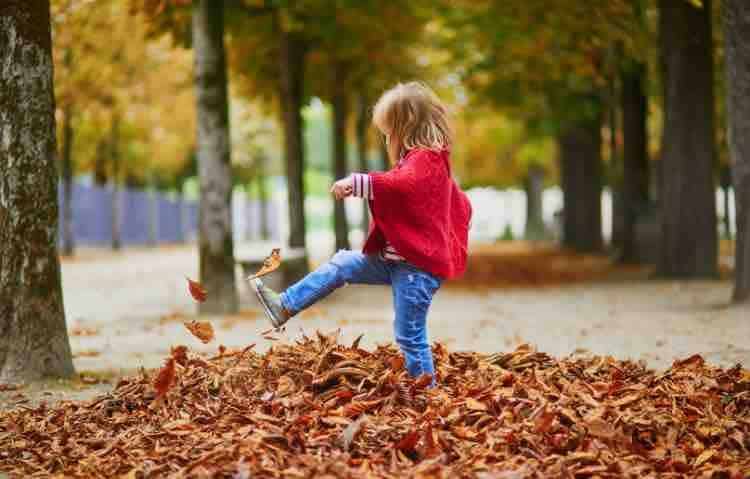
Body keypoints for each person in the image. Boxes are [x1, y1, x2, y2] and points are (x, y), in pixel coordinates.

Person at [253, 82, 472, 381]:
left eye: (388, 132)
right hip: (395, 261)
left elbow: (402, 185)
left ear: (404, 128)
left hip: (416, 270)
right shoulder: (419, 160)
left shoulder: (427, 159)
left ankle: (427, 396)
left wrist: (356, 183)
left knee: (409, 335)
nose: (386, 139)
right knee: (343, 263)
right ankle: (284, 306)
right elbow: (459, 202)